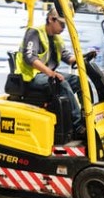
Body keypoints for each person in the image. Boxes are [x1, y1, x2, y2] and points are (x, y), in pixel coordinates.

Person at [15, 7, 85, 136]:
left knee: (79, 81)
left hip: (46, 75)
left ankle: (86, 116)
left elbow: (68, 58)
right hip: (31, 77)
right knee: (61, 82)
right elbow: (30, 57)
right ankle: (77, 125)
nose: (63, 28)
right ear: (51, 19)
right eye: (62, 24)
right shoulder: (34, 33)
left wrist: (83, 58)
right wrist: (50, 73)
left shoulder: (56, 39)